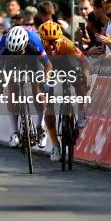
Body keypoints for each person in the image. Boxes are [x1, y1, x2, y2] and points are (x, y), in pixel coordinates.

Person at [0, 26, 53, 157]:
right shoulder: (4, 44)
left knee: (37, 89)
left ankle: (40, 127)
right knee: (12, 88)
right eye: (14, 52)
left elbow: (48, 65)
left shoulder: (34, 41)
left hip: (32, 59)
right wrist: (0, 85)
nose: (17, 55)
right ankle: (15, 132)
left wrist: (45, 80)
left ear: (25, 44)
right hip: (11, 63)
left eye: (19, 51)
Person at [39, 21, 91, 161]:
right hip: (47, 66)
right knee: (48, 109)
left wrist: (86, 74)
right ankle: (56, 146)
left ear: (60, 39)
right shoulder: (39, 48)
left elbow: (84, 60)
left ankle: (81, 114)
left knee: (79, 83)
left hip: (66, 61)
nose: (50, 46)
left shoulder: (66, 43)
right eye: (46, 42)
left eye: (54, 42)